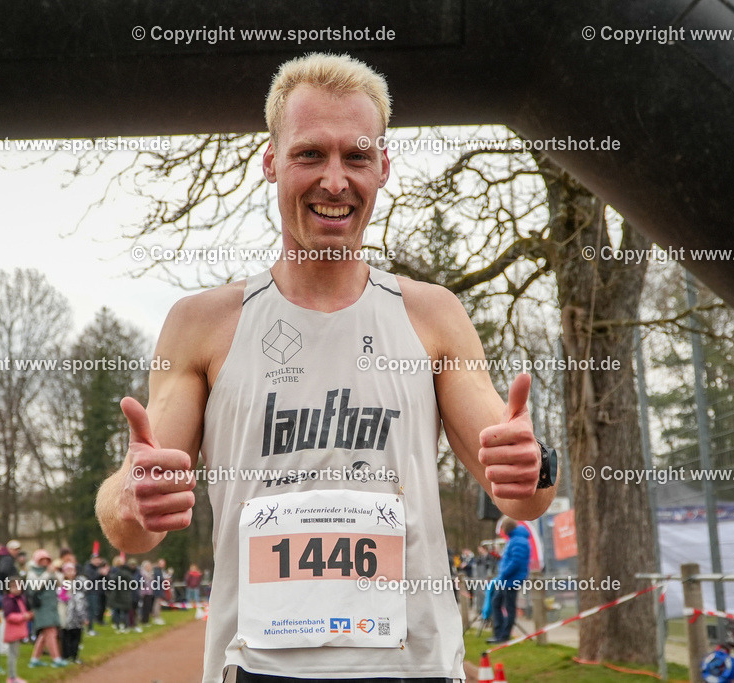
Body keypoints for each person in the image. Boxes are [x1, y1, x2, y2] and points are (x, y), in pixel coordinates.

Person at [95, 52, 556, 681]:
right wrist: (130, 496)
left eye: (356, 157)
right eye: (310, 154)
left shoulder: (432, 315)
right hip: (256, 665)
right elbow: (135, 531)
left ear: (383, 166)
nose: (334, 181)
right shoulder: (202, 324)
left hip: (411, 666)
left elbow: (524, 498)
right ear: (271, 161)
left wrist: (533, 464)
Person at [487, 518, 530, 643]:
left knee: (509, 607)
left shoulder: (519, 541)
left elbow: (516, 562)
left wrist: (504, 573)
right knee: (496, 603)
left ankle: (504, 635)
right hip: (505, 579)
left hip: (511, 579)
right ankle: (498, 633)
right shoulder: (514, 539)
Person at [25, 549, 66, 668]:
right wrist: (47, 573)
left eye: (46, 559)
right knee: (51, 632)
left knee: (45, 634)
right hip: (41, 606)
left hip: (51, 605)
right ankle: (56, 659)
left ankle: (34, 659)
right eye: (42, 559)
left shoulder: (50, 570)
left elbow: (60, 583)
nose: (45, 562)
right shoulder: (32, 572)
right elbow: (36, 586)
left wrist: (55, 572)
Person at [1, 577, 32, 683]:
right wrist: (23, 617)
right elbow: (9, 616)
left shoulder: (20, 598)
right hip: (13, 631)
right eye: (13, 587)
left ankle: (13, 676)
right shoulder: (9, 600)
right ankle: (12, 677)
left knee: (15, 654)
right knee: (12, 655)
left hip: (18, 630)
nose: (16, 589)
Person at [58, 562, 88, 663]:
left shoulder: (79, 583)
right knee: (66, 637)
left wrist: (83, 617)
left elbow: (81, 600)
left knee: (76, 637)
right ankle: (65, 656)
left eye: (72, 570)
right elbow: (61, 597)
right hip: (66, 616)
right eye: (68, 571)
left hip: (77, 616)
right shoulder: (62, 584)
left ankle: (74, 656)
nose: (71, 573)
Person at [138, 560, 155, 627]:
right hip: (144, 593)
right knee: (144, 607)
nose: (150, 567)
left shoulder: (150, 573)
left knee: (148, 607)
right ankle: (144, 620)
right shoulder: (142, 573)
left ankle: (147, 620)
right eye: (148, 566)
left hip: (149, 592)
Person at [151, 558, 168, 625]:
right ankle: (156, 617)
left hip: (159, 589)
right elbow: (158, 579)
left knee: (158, 603)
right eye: (162, 563)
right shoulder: (157, 570)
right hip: (156, 590)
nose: (163, 565)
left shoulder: (159, 570)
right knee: (157, 604)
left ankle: (157, 616)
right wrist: (164, 579)